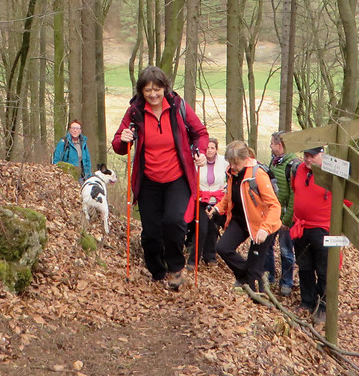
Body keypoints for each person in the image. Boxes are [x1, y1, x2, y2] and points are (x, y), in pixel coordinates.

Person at [111, 66, 209, 291]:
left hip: (177, 177)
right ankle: (157, 271)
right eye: (148, 91)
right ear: (141, 92)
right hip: (148, 180)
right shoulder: (135, 112)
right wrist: (123, 139)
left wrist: (200, 152)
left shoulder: (178, 107)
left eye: (157, 89)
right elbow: (118, 144)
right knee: (152, 232)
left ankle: (176, 269)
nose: (153, 94)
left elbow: (200, 133)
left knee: (174, 222)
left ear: (165, 88)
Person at [291, 146, 351, 323]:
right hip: (302, 227)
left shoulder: (333, 172)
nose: (308, 159)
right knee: (305, 267)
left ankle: (323, 306)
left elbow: (347, 200)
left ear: (322, 154)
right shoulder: (299, 170)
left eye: (312, 156)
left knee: (325, 269)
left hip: (324, 229)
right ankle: (307, 301)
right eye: (305, 155)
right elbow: (296, 191)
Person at [212, 141, 282, 293]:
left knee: (255, 270)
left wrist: (264, 229)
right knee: (223, 248)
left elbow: (275, 206)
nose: (233, 166)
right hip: (240, 220)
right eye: (230, 163)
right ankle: (245, 276)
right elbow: (230, 196)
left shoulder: (258, 175)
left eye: (235, 163)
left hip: (263, 225)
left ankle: (260, 297)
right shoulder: (232, 173)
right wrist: (218, 208)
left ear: (245, 159)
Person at [266, 132, 300, 296]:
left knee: (286, 251)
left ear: (280, 145)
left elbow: (295, 195)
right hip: (272, 214)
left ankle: (287, 282)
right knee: (267, 246)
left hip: (286, 216)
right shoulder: (274, 161)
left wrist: (287, 220)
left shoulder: (292, 165)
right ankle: (269, 276)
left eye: (272, 143)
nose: (270, 146)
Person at [186, 138, 227, 266]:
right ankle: (193, 260)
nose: (209, 150)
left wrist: (226, 188)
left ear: (216, 150)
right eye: (207, 147)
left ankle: (210, 257)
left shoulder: (223, 162)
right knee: (202, 229)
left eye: (212, 148)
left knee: (213, 229)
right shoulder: (198, 160)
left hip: (217, 200)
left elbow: (231, 175)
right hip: (201, 199)